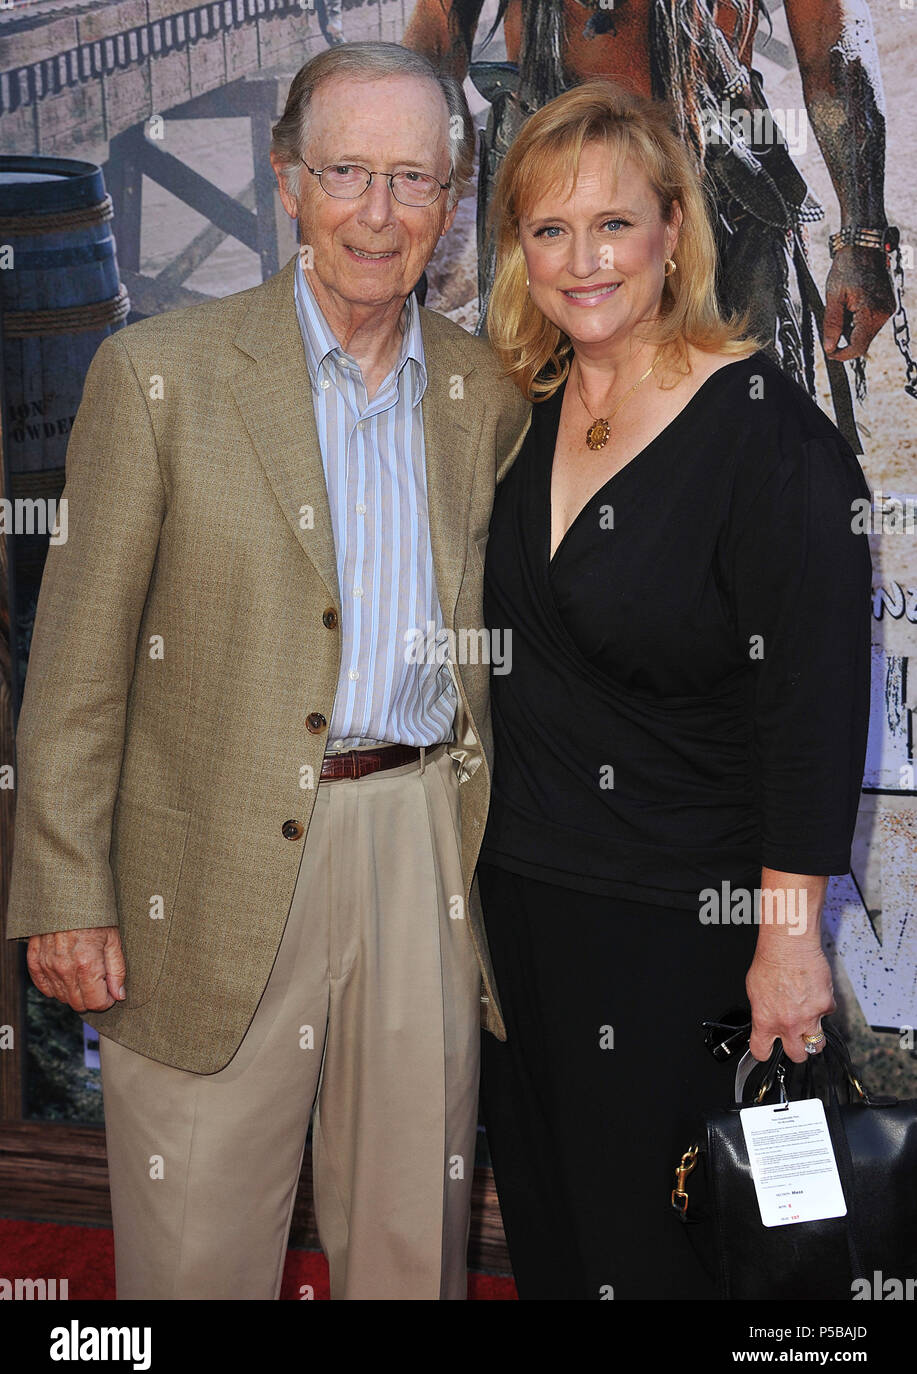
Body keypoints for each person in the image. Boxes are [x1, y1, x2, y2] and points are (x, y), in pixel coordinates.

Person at [4, 41, 530, 1300]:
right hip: (205, 864)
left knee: (412, 1256)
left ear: (450, 204)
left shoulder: (487, 395)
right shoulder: (155, 378)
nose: (378, 212)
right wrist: (64, 893)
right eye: (347, 171)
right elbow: (72, 671)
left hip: (415, 850)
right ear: (288, 182)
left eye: (412, 179)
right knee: (195, 1262)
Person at [474, 79, 872, 1300]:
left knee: (666, 1257)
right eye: (549, 229)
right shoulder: (523, 415)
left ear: (671, 234)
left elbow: (810, 717)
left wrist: (786, 943)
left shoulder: (768, 436)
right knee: (555, 1238)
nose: (581, 259)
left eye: (612, 224)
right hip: (519, 913)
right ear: (518, 253)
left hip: (677, 929)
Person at [403, 0, 898, 453]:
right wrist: (408, 222)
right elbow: (437, 42)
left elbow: (834, 48)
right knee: (533, 451)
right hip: (552, 200)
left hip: (716, 200)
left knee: (739, 454)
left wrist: (865, 235)